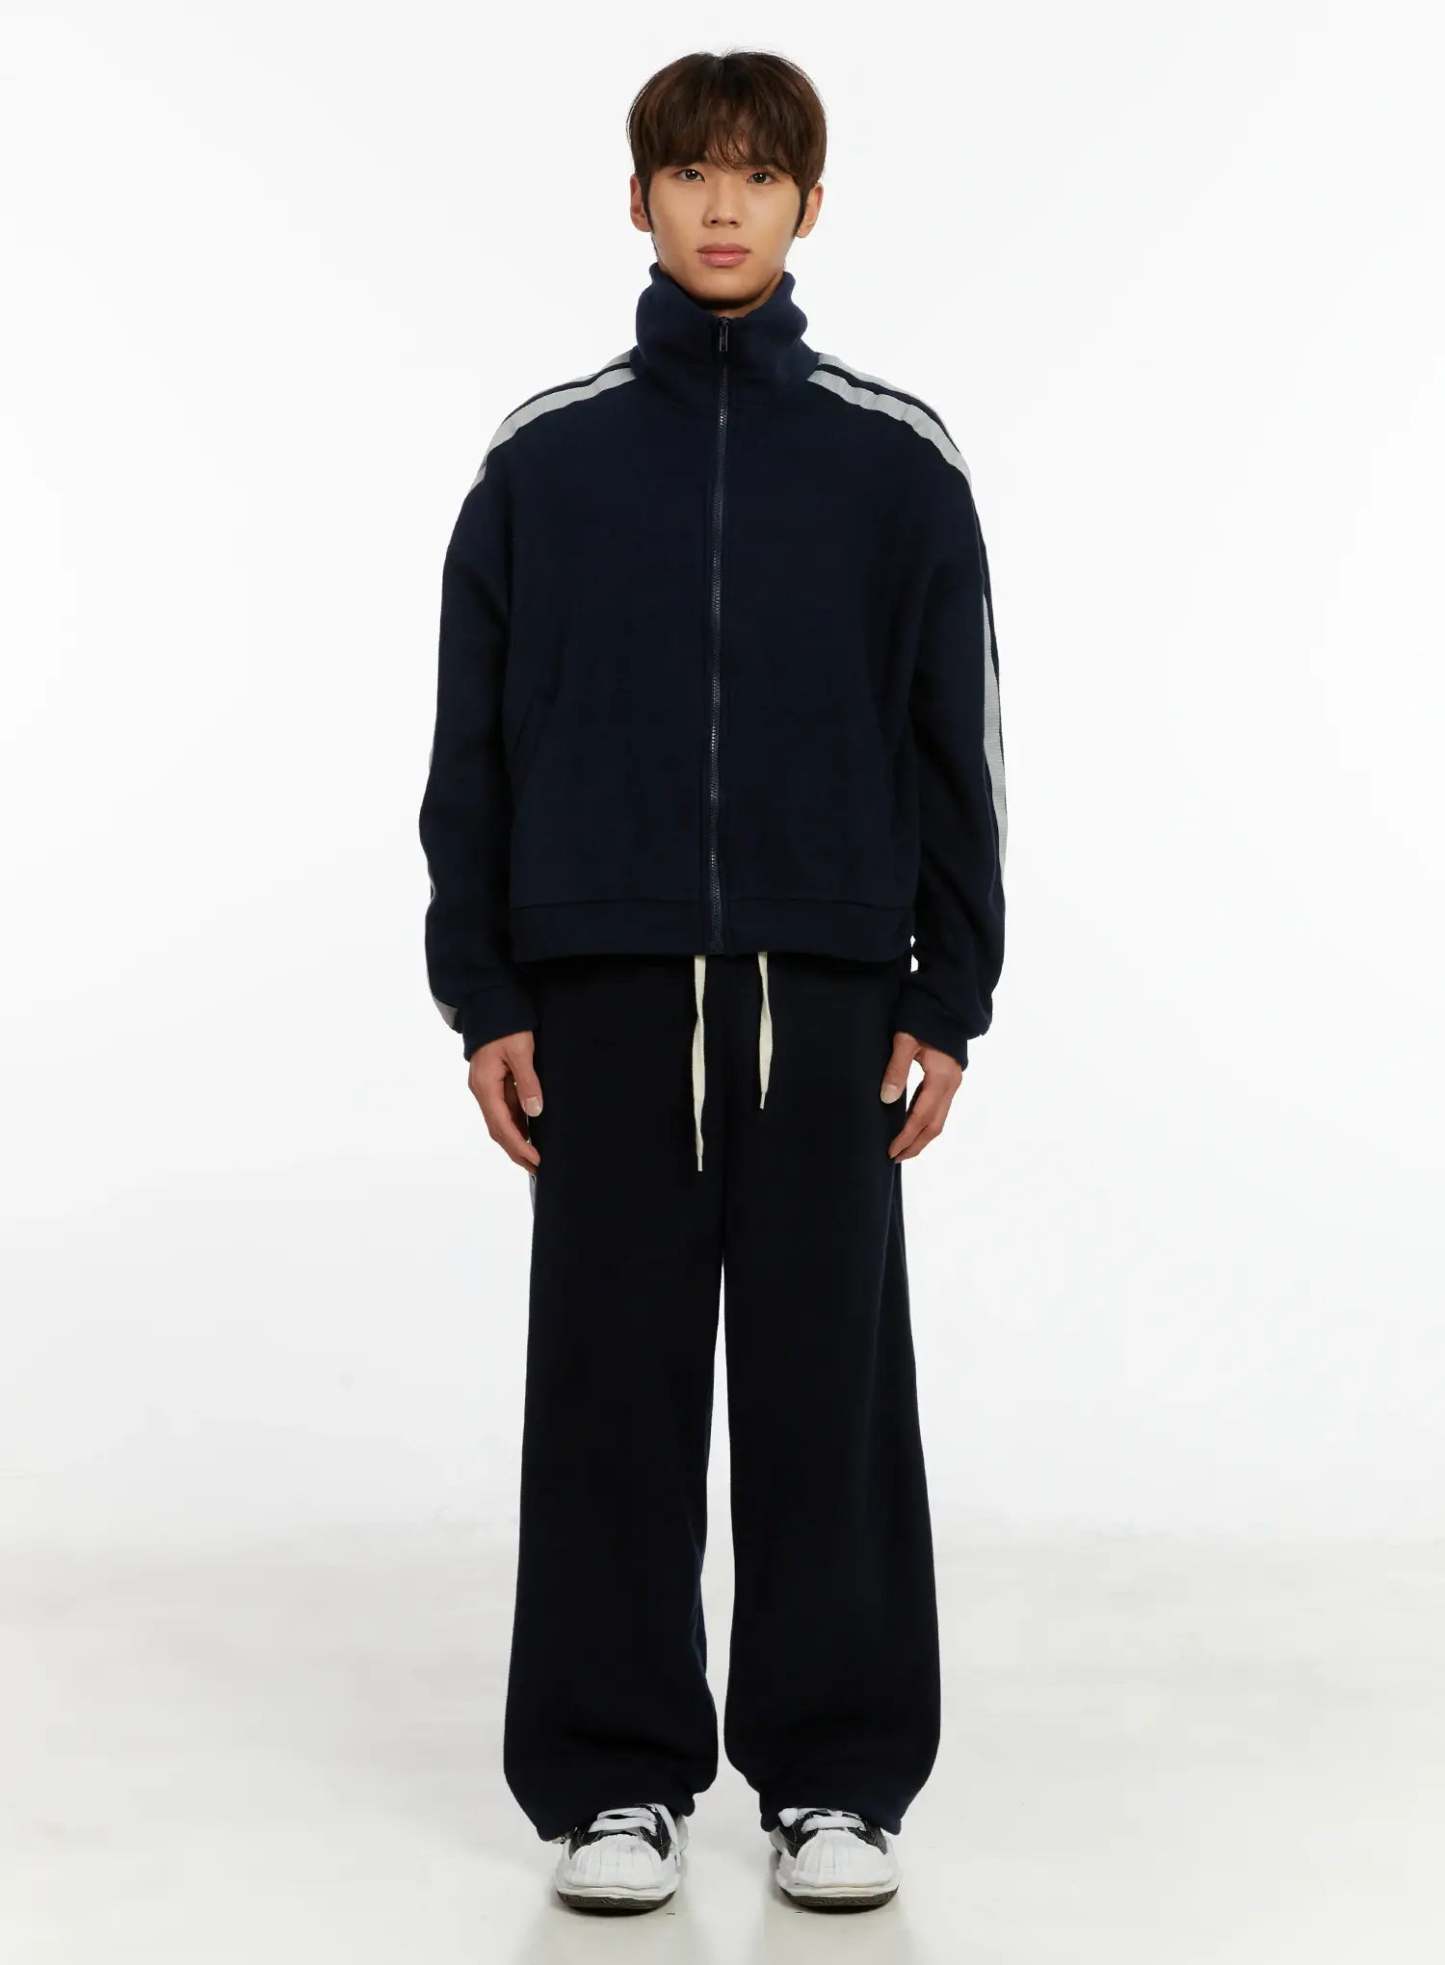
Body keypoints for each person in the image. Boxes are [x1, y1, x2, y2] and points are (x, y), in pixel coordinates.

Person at [418, 47, 1007, 1917]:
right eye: (691, 172)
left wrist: (947, 991)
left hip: (826, 990)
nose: (724, 204)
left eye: (758, 174)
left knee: (829, 1392)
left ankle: (835, 1779)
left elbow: (956, 742)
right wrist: (484, 991)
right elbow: (468, 752)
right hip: (599, 992)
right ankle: (612, 1778)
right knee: (611, 1385)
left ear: (810, 205)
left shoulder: (894, 461)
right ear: (639, 200)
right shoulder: (545, 460)